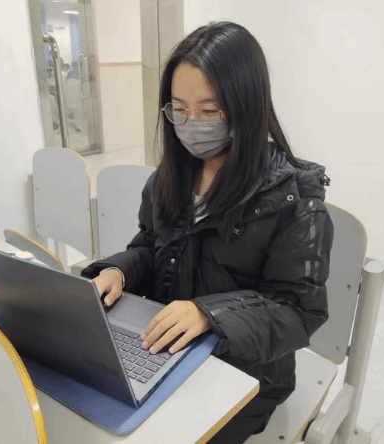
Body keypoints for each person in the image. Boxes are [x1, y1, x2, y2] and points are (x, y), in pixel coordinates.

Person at [82, 21, 334, 443]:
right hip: (169, 350)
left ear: (246, 106)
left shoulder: (294, 199)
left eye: (210, 110)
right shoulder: (172, 175)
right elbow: (150, 246)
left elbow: (297, 310)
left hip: (247, 375)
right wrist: (117, 272)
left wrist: (208, 315)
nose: (191, 124)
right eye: (179, 109)